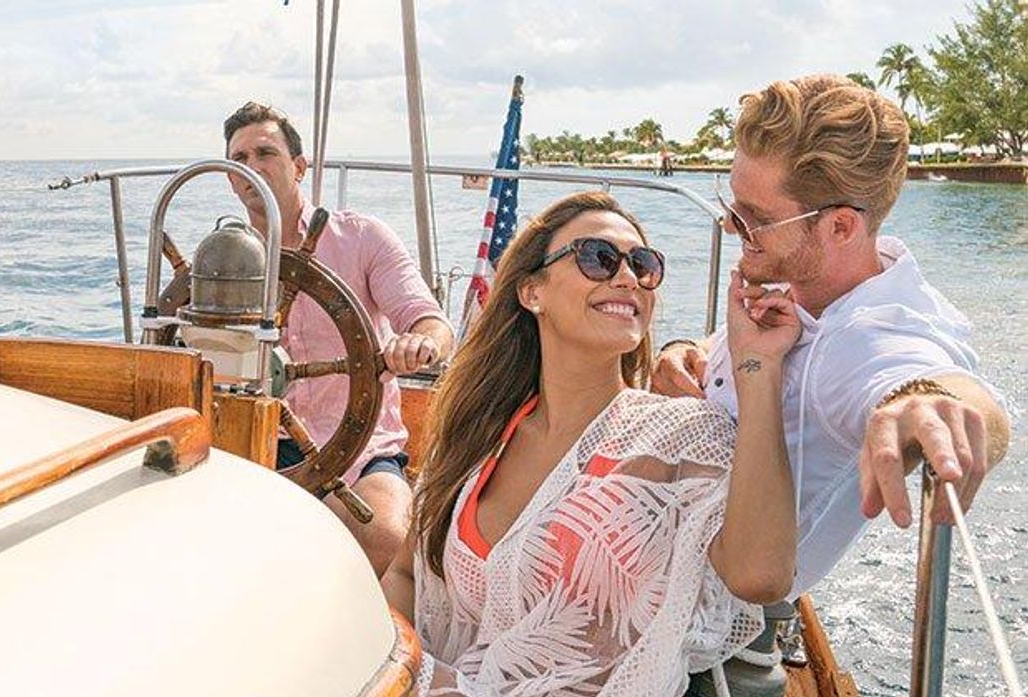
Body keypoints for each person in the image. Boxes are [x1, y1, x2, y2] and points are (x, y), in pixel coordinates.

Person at [381, 191, 803, 696]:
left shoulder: (678, 438)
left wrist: (756, 366)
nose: (627, 277)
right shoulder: (480, 435)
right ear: (532, 291)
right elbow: (407, 574)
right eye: (598, 258)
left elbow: (761, 577)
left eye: (643, 265)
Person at [651, 74, 1012, 597]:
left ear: (840, 227)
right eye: (732, 206)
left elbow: (935, 382)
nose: (731, 226)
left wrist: (931, 407)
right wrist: (688, 352)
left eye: (754, 218)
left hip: (695, 599)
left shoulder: (870, 335)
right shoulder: (806, 273)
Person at [222, 101, 456, 576]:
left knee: (388, 542)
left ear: (300, 167)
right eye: (239, 159)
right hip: (257, 441)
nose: (251, 167)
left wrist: (419, 344)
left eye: (265, 152)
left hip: (360, 444)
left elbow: (431, 323)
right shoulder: (226, 260)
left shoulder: (363, 238)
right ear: (229, 177)